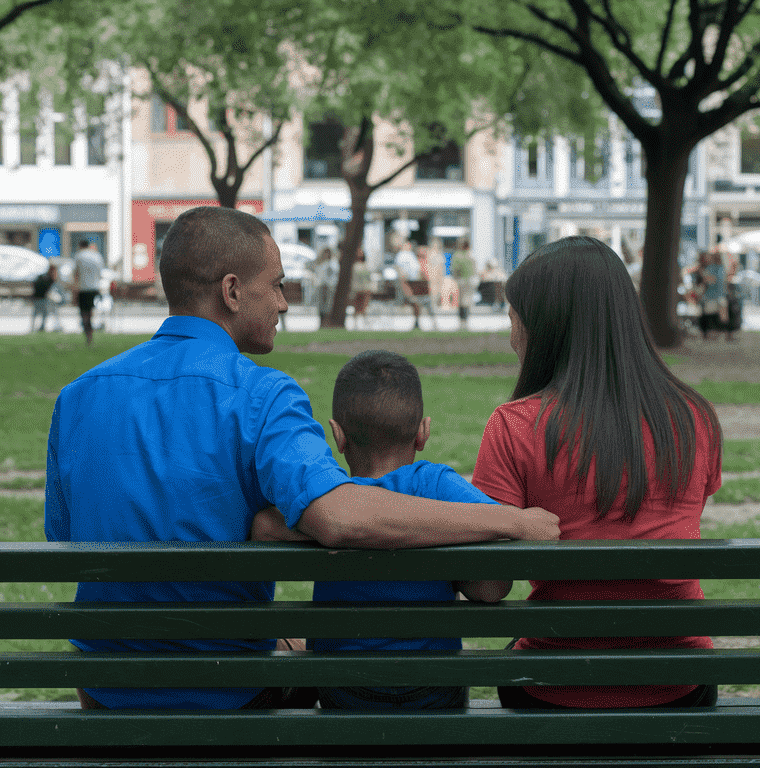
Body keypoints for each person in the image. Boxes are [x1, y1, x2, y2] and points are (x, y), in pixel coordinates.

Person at [45, 206, 559, 712]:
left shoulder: (77, 397)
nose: (284, 303)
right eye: (277, 285)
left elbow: (63, 535)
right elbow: (337, 516)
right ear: (231, 292)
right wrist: (509, 519)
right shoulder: (261, 395)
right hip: (227, 692)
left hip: (106, 691)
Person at [472, 235, 722, 710]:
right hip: (679, 683)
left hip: (554, 686)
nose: (511, 335)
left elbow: (489, 586)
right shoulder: (696, 420)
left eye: (512, 319)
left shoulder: (514, 427)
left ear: (542, 328)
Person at [268, 350, 516, 710]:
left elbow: (265, 524)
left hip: (344, 695)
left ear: (337, 436)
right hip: (434, 695)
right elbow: (492, 588)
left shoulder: (330, 502)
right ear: (423, 432)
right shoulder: (438, 486)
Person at [73, 239, 105, 345]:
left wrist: (74, 292)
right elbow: (100, 273)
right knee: (91, 313)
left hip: (83, 289)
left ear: (80, 245)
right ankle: (90, 335)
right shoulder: (97, 256)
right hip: (95, 288)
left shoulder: (79, 256)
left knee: (84, 314)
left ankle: (88, 335)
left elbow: (76, 275)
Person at [694, 249, 726, 340]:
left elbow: (711, 281)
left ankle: (713, 333)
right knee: (710, 315)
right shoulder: (714, 268)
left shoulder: (717, 268)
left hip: (714, 296)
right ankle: (709, 333)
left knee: (713, 315)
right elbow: (709, 281)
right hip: (710, 296)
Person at [450, 240, 475, 329]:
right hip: (469, 281)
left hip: (461, 281)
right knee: (467, 301)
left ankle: (462, 321)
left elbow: (455, 269)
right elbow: (474, 268)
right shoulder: (470, 255)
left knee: (462, 302)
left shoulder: (457, 255)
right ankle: (465, 320)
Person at [314, 247, 338, 327]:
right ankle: (321, 323)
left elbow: (333, 275)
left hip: (329, 287)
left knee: (328, 305)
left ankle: (326, 322)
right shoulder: (320, 263)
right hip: (321, 286)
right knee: (321, 306)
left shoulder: (333, 263)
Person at [29, 264, 57, 333]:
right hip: (40, 297)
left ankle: (37, 327)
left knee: (38, 313)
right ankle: (37, 327)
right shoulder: (48, 278)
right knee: (41, 313)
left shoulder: (43, 277)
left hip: (38, 297)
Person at [350, 248, 373, 329]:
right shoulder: (354, 266)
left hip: (365, 289)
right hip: (357, 289)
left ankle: (365, 325)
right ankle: (355, 325)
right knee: (356, 308)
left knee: (364, 308)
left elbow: (369, 278)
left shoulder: (366, 265)